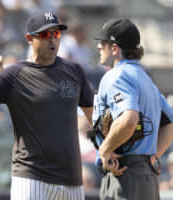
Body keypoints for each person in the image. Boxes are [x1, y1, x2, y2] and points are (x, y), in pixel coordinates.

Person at [0, 11, 94, 200]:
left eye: (56, 34)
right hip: (31, 177)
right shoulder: (14, 75)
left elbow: (94, 116)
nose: (52, 39)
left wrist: (109, 147)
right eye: (45, 35)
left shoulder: (74, 70)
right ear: (30, 38)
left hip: (71, 179)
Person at [92, 18, 173, 200]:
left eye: (103, 43)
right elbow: (170, 123)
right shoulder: (146, 80)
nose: (98, 47)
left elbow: (129, 119)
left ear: (114, 49)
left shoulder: (116, 76)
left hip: (123, 174)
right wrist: (152, 157)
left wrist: (105, 149)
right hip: (147, 176)